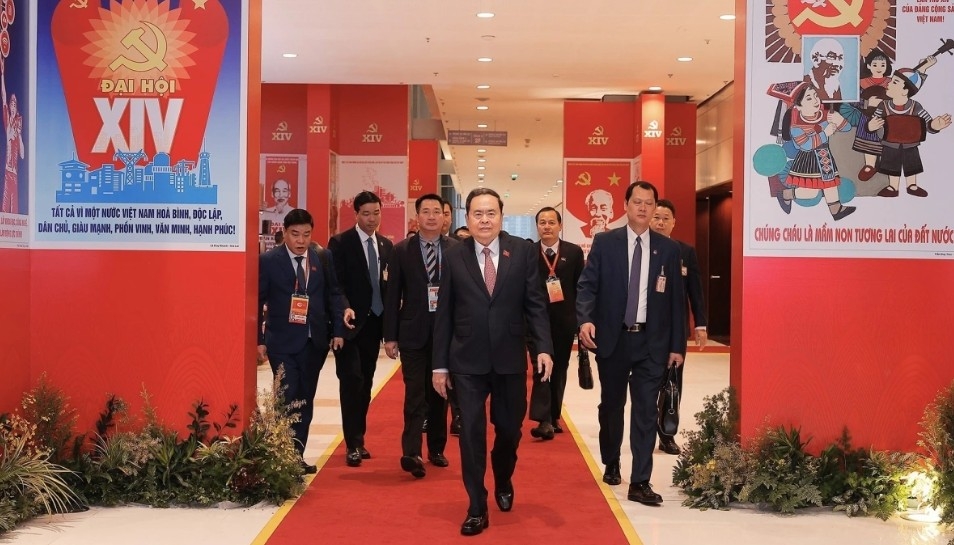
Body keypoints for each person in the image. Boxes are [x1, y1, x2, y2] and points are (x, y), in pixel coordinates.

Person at [432, 187, 554, 536]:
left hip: (509, 358)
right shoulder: (454, 256)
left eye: (491, 213)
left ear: (501, 215)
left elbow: (536, 304)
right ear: (466, 218)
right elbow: (444, 314)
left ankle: (503, 477)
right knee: (470, 433)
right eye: (477, 214)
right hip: (466, 361)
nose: (484, 220)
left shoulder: (523, 252)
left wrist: (544, 347)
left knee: (509, 431)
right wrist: (440, 366)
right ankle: (476, 505)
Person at [577, 180, 686, 506]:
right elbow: (587, 286)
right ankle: (612, 460)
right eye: (637, 202)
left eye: (648, 203)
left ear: (655, 208)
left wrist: (677, 346)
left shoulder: (668, 249)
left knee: (643, 413)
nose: (642, 208)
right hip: (613, 339)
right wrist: (585, 318)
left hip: (651, 343)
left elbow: (677, 303)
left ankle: (640, 481)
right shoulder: (605, 242)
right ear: (626, 206)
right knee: (611, 407)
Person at [258, 209, 348, 474]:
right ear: (284, 233)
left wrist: (339, 330)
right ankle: (280, 455)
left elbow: (334, 293)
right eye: (295, 234)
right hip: (282, 341)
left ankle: (296, 455)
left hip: (314, 341)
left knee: (305, 399)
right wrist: (259, 340)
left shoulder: (322, 256)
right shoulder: (269, 260)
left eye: (306, 234)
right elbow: (257, 299)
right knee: (287, 397)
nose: (301, 240)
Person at [383, 194, 457, 478]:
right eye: (425, 211)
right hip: (413, 333)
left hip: (446, 333)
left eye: (436, 211)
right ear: (417, 216)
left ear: (444, 216)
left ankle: (436, 449)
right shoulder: (402, 250)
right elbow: (393, 296)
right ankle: (411, 451)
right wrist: (390, 336)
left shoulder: (456, 249)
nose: (431, 216)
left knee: (440, 393)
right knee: (415, 394)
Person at [328, 190, 393, 467]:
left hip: (374, 325)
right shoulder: (341, 243)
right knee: (351, 381)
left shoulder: (387, 245)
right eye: (366, 213)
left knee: (366, 382)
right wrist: (343, 307)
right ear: (356, 214)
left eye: (376, 213)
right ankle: (352, 443)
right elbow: (335, 285)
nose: (371, 219)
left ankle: (359, 437)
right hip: (350, 324)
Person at [650, 199, 708, 455]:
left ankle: (667, 434)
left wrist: (701, 324)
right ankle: (643, 431)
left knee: (672, 383)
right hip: (644, 328)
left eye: (666, 218)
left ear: (674, 223)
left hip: (674, 330)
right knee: (645, 385)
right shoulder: (640, 249)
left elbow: (696, 291)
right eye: (656, 217)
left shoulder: (685, 252)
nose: (660, 223)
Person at [527, 207, 584, 440]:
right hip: (535, 321)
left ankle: (554, 415)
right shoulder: (528, 252)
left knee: (559, 368)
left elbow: (581, 287)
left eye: (551, 222)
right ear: (537, 226)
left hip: (564, 321)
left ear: (560, 226)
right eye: (542, 222)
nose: (547, 226)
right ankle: (544, 420)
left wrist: (581, 321)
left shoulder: (573, 252)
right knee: (541, 366)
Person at [869, 64, 951, 198]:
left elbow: (928, 124)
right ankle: (893, 187)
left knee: (912, 164)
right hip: (890, 144)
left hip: (911, 144)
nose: (889, 83)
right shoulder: (883, 105)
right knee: (891, 165)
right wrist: (871, 126)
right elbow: (874, 121)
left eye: (895, 82)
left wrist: (935, 126)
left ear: (905, 90)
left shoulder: (915, 106)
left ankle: (911, 185)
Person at [776, 82, 855, 220]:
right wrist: (825, 133)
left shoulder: (825, 113)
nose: (815, 100)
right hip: (808, 160)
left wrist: (840, 120)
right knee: (810, 193)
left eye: (815, 95)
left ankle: (836, 209)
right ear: (798, 106)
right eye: (809, 98)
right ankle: (785, 194)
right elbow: (805, 145)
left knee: (830, 184)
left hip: (824, 156)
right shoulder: (796, 124)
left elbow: (846, 128)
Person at [441, 199, 464, 435]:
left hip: (455, 321)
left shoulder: (457, 248)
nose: (441, 218)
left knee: (455, 374)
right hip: (422, 322)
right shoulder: (408, 248)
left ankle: (457, 414)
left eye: (446, 213)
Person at [1, 57, 24, 214]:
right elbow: (3, 95)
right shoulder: (8, 122)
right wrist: (2, 74)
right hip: (7, 172)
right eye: (12, 103)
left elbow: (22, 155)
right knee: (4, 207)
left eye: (15, 104)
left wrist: (20, 135)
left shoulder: (16, 129)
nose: (13, 105)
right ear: (9, 107)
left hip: (15, 175)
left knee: (14, 210)